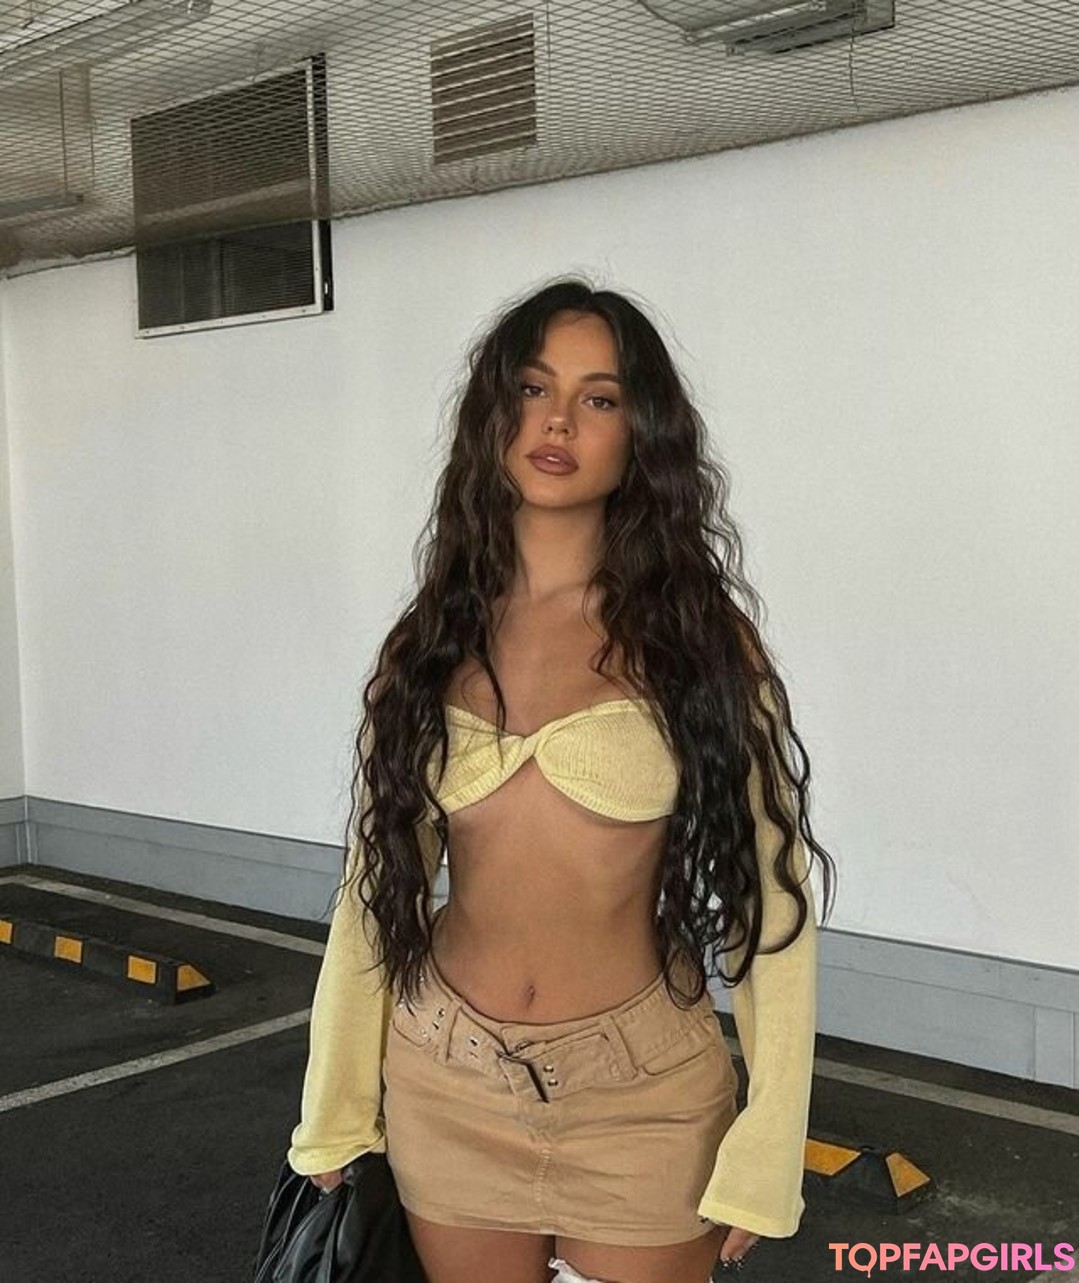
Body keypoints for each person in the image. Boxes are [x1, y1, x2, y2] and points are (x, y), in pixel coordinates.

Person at [286, 277, 836, 1283]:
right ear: (494, 414)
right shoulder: (429, 640)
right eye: (533, 388)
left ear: (642, 434)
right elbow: (373, 888)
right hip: (446, 1082)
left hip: (645, 1097)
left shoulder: (701, 641)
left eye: (599, 397)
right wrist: (335, 1104)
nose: (557, 421)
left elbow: (772, 899)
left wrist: (770, 1139)